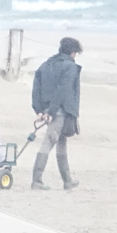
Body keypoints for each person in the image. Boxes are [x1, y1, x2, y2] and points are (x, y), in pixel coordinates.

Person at [30, 37, 83, 190]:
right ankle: (36, 180)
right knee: (49, 141)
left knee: (61, 142)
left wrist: (39, 110)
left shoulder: (45, 65)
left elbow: (36, 88)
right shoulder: (70, 67)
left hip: (48, 109)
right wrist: (52, 111)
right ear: (73, 53)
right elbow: (63, 90)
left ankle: (67, 180)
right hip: (59, 110)